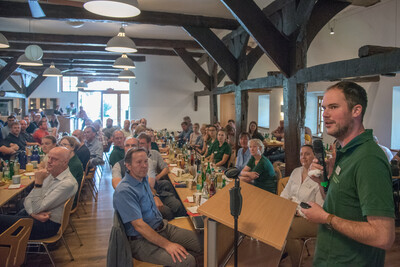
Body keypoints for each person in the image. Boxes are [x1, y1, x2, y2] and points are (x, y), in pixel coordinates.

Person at [302, 81, 395, 266]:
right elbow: (338, 201)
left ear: (356, 110)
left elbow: (383, 236)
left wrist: (325, 218)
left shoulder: (368, 159)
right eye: (324, 107)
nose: (325, 114)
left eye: (334, 107)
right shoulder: (345, 152)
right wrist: (323, 182)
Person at [113, 148, 202, 266]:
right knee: (187, 261)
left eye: (145, 161)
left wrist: (154, 195)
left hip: (162, 227)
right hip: (141, 240)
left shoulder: (142, 178)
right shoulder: (124, 191)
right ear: (128, 166)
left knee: (205, 243)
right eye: (139, 162)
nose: (144, 166)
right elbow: (139, 226)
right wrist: (167, 245)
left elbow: (150, 189)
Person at [0, 147, 78, 240]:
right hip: (37, 218)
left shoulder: (67, 183)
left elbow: (36, 208)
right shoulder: (52, 173)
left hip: (48, 225)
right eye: (49, 157)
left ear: (65, 162)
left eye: (54, 159)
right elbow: (28, 199)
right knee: (19, 206)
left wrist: (38, 182)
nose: (49, 161)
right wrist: (33, 214)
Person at [280, 145, 323, 267]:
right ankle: (279, 253)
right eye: (301, 154)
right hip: (293, 212)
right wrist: (288, 207)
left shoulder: (319, 177)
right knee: (275, 220)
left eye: (307, 154)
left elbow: (319, 207)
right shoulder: (296, 172)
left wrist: (297, 211)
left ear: (314, 156)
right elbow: (284, 194)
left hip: (311, 218)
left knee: (290, 230)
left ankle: (296, 264)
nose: (303, 157)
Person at [59, 136, 84, 209]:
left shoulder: (75, 164)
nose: (61, 147)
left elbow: (65, 186)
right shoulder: (68, 160)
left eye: (64, 145)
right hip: (65, 196)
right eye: (60, 145)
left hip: (68, 201)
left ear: (73, 147)